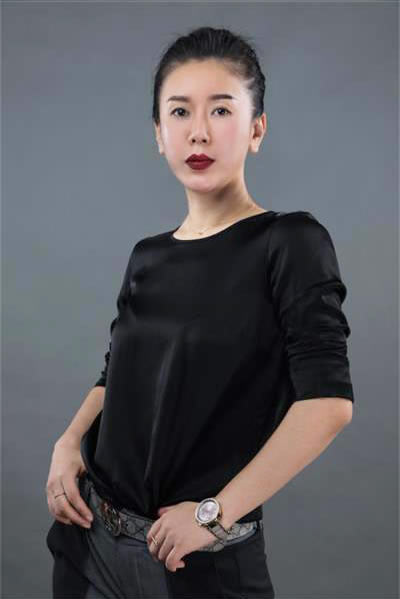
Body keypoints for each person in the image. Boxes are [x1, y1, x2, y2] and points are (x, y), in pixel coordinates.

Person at [45, 26, 355, 599]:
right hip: (92, 545)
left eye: (221, 109)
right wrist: (67, 442)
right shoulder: (147, 256)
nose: (199, 131)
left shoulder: (289, 242)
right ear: (158, 134)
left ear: (257, 129)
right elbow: (116, 374)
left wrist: (214, 515)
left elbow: (327, 404)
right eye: (180, 111)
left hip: (197, 558)